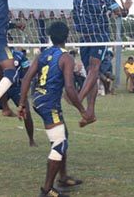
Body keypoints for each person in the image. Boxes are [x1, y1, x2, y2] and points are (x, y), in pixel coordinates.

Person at [43, 0, 132, 124]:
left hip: (100, 36)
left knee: (94, 68)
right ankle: (90, 112)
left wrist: (126, 10)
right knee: (91, 73)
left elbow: (119, 13)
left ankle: (79, 97)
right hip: (84, 38)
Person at [18, 22, 93, 197]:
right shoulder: (66, 57)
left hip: (38, 99)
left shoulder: (43, 54)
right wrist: (83, 111)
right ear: (67, 37)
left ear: (51, 36)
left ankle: (63, 176)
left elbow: (27, 78)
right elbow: (69, 87)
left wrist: (22, 104)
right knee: (60, 144)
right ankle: (47, 190)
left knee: (63, 133)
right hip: (49, 103)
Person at [0, 47, 37, 148]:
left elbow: (27, 73)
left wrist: (24, 87)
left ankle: (31, 140)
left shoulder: (19, 56)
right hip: (2, 88)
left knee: (26, 111)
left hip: (16, 88)